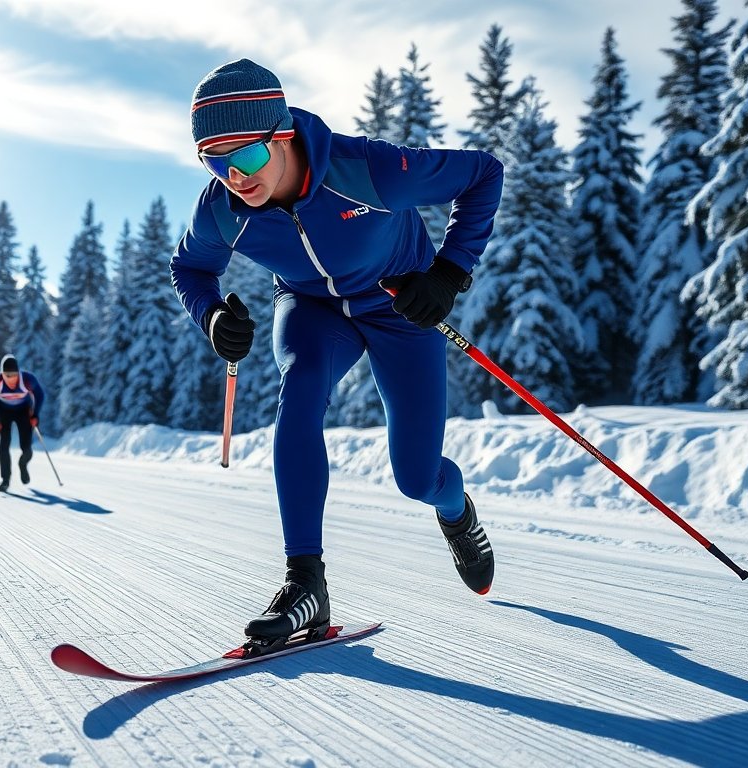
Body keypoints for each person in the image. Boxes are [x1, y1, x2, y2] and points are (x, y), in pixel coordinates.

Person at [171, 59, 504, 645]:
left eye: (245, 156)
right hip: (312, 310)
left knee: (417, 477)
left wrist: (449, 274)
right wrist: (213, 314)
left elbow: (483, 175)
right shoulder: (221, 209)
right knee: (298, 392)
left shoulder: (367, 170)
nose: (234, 177)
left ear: (281, 135)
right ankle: (306, 587)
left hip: (399, 309)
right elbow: (191, 268)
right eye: (214, 162)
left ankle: (456, 512)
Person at [0, 354, 46, 493]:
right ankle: (5, 480)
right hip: (3, 411)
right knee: (4, 444)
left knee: (27, 448)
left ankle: (22, 465)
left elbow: (40, 395)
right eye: (7, 375)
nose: (11, 378)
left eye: (14, 374)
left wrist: (35, 414)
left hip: (23, 411)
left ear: (19, 372)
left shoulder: (28, 379)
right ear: (2, 374)